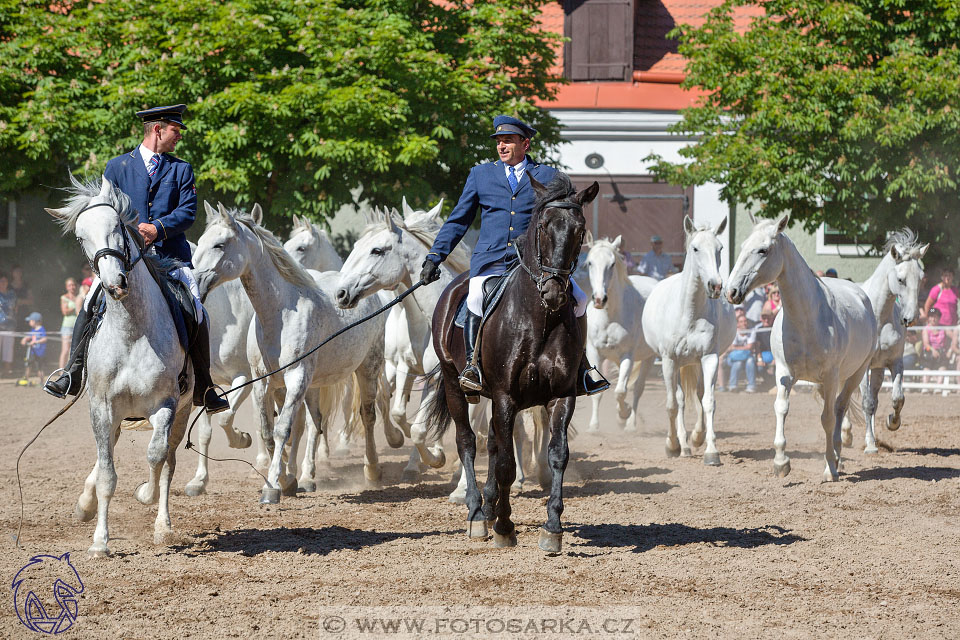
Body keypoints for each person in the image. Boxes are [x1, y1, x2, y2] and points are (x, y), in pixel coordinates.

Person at [44, 104, 228, 413]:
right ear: (158, 129)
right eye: (176, 131)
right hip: (126, 259)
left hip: (171, 258)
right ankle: (71, 373)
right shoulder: (117, 167)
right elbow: (104, 209)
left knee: (196, 308)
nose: (179, 137)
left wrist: (157, 228)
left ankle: (205, 388)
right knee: (90, 303)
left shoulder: (181, 169)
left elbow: (187, 213)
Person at [418, 114, 607, 397]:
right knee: (475, 298)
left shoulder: (551, 177)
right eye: (499, 141)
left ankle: (581, 367)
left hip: (535, 264)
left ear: (525, 144)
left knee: (579, 300)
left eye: (508, 141)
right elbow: (458, 220)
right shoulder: (480, 175)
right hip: (491, 260)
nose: (502, 146)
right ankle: (472, 366)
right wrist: (435, 256)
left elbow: (564, 217)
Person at [721, 313, 758, 392]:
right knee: (738, 362)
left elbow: (749, 347)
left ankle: (751, 386)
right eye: (741, 322)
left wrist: (736, 348)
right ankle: (733, 386)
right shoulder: (733, 332)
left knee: (749, 361)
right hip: (734, 358)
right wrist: (745, 349)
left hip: (747, 357)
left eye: (745, 321)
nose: (744, 323)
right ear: (737, 324)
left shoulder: (751, 331)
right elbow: (732, 348)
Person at [921, 307, 952, 394]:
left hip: (941, 353)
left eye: (935, 317)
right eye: (931, 317)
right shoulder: (926, 329)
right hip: (929, 352)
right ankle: (925, 386)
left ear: (939, 318)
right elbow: (926, 344)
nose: (933, 319)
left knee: (942, 366)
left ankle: (938, 386)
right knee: (927, 366)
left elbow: (954, 337)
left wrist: (950, 349)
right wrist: (933, 350)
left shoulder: (944, 328)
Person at [58, 278, 81, 371]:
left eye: (74, 285)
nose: (72, 287)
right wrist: (76, 304)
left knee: (75, 350)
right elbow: (65, 311)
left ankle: (71, 370)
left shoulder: (79, 297)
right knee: (65, 350)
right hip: (67, 327)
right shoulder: (64, 298)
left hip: (77, 326)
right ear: (67, 287)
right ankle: (60, 371)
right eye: (70, 285)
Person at [20, 311, 47, 385]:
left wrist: (36, 342)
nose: (29, 322)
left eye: (30, 321)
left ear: (36, 321)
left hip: (39, 353)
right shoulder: (33, 330)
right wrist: (24, 339)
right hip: (32, 352)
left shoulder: (41, 329)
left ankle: (42, 381)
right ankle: (26, 378)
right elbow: (29, 336)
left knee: (39, 367)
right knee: (28, 364)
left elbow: (45, 339)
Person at [0, 273, 15, 376]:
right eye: (1, 281)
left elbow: (14, 306)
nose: (3, 283)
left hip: (10, 324)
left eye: (5, 281)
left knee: (8, 348)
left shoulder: (11, 294)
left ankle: (7, 370)